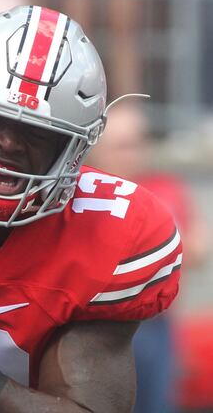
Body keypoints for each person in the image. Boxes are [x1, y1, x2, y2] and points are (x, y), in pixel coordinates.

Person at [85, 104, 207, 413]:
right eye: (123, 146)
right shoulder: (88, 193)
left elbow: (199, 248)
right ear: (99, 149)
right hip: (96, 326)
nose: (133, 154)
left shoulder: (164, 188)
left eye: (138, 143)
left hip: (156, 325)